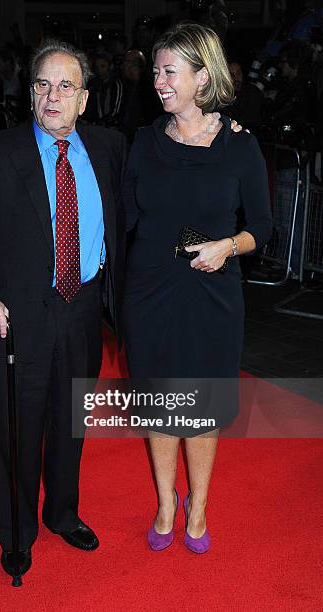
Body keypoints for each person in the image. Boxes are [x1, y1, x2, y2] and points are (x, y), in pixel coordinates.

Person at [0, 39, 127, 577]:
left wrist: (220, 126)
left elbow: (169, 157)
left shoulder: (110, 148)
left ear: (85, 99)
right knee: (18, 430)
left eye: (65, 86)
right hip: (15, 318)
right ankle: (18, 532)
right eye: (43, 84)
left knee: (71, 422)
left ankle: (63, 513)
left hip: (83, 308)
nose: (53, 96)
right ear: (29, 95)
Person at [123, 23, 272, 554]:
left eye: (169, 72)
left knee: (201, 407)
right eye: (157, 71)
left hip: (212, 294)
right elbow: (124, 220)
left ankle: (199, 505)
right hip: (149, 293)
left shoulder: (239, 146)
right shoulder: (143, 142)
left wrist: (227, 246)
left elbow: (263, 227)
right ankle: (166, 501)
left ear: (201, 76)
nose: (157, 82)